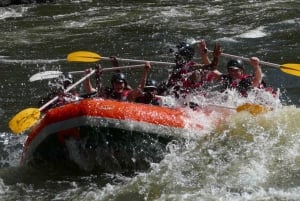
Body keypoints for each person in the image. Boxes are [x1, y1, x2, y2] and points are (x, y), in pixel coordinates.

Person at [199, 40, 264, 96]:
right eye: (230, 70)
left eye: (235, 70)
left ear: (241, 70)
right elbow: (211, 69)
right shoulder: (226, 78)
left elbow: (258, 80)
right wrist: (204, 55)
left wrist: (256, 66)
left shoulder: (247, 80)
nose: (233, 72)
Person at [84, 62, 151, 102]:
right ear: (113, 84)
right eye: (116, 83)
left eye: (121, 83)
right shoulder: (108, 93)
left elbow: (141, 87)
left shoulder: (129, 95)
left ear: (124, 84)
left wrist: (145, 71)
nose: (119, 86)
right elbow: (90, 90)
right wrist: (87, 76)